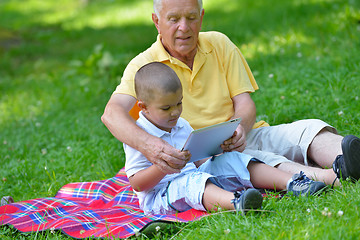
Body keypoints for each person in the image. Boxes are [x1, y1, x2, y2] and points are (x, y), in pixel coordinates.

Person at [101, 0, 360, 187]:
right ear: (157, 22)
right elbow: (111, 115)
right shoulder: (143, 66)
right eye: (174, 19)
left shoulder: (219, 43)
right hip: (203, 159)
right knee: (259, 161)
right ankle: (333, 177)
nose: (184, 27)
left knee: (309, 129)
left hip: (243, 135)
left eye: (191, 17)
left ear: (201, 17)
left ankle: (347, 158)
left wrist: (241, 129)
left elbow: (244, 103)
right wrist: (151, 146)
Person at [125, 62, 326, 215]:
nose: (175, 112)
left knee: (231, 159)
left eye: (179, 103)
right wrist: (163, 166)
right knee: (191, 182)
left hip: (195, 176)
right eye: (166, 108)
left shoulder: (181, 123)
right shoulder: (138, 135)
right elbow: (137, 184)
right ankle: (237, 202)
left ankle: (294, 183)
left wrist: (213, 152)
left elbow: (198, 161)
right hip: (160, 196)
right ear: (143, 107)